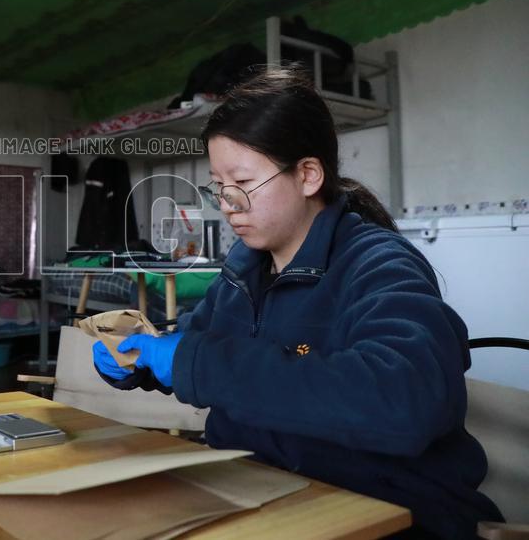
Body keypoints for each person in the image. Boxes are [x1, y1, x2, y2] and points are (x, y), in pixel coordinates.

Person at [92, 69, 502, 538]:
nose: (227, 204)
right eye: (218, 186)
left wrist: (196, 362)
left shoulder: (378, 264)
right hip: (266, 494)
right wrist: (143, 356)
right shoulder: (244, 270)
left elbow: (402, 402)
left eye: (241, 182)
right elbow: (199, 342)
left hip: (385, 513)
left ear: (308, 175)